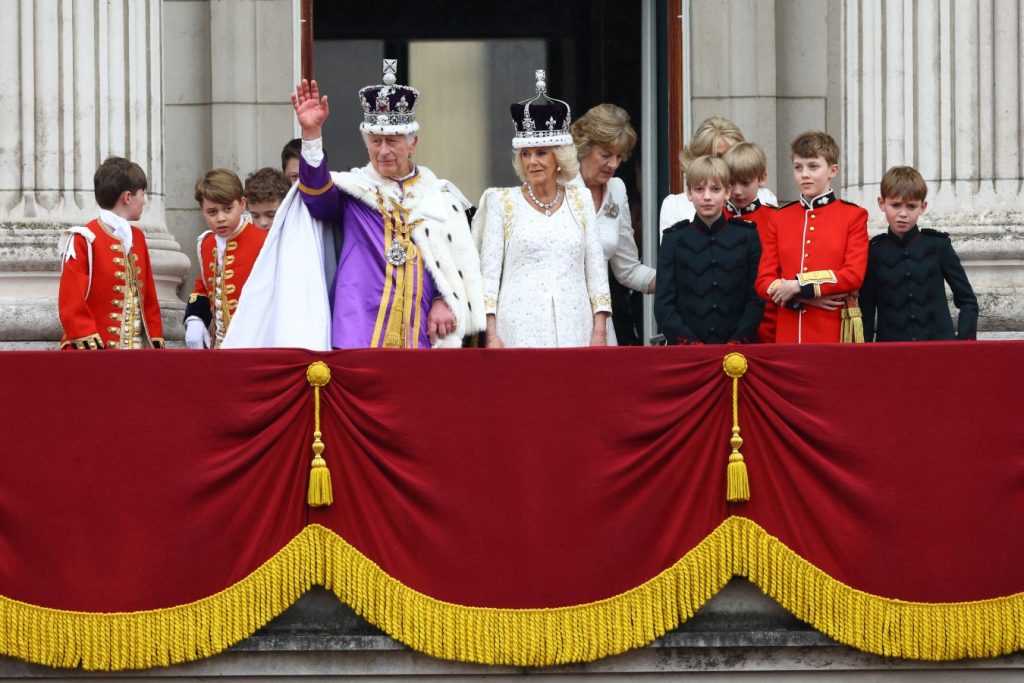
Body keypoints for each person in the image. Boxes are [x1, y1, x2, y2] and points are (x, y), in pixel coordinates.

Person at [222, 60, 485, 350]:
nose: (382, 151)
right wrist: (311, 135)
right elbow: (317, 198)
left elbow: (454, 265)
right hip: (358, 334)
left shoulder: (440, 198)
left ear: (413, 142)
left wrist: (444, 299)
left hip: (421, 334)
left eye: (392, 141)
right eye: (374, 141)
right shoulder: (354, 191)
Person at [475, 70, 611, 348]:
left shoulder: (580, 199)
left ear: (559, 157)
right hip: (518, 327)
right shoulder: (502, 202)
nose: (532, 162)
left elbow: (596, 270)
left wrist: (599, 331)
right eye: (526, 154)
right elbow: (489, 276)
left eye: (541, 153)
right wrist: (491, 333)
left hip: (576, 326)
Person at [755, 131, 869, 343]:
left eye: (813, 166)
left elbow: (853, 275)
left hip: (833, 331)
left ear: (832, 170)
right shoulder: (779, 218)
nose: (804, 174)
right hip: (788, 332)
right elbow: (764, 281)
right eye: (798, 167)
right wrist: (802, 297)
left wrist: (799, 285)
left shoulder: (853, 215)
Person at [860, 165, 978, 341]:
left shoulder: (939, 246)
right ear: (881, 203)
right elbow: (866, 312)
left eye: (911, 206)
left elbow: (967, 301)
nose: (903, 214)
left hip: (940, 352)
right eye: (895, 205)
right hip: (891, 355)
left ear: (923, 207)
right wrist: (865, 357)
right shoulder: (873, 252)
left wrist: (962, 343)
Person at [57, 156, 164, 350]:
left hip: (137, 354)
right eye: (143, 193)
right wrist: (88, 341)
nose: (145, 201)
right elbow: (71, 301)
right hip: (96, 354)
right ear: (127, 197)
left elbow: (149, 297)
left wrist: (155, 339)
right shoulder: (83, 239)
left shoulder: (137, 237)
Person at [570, 103, 655, 345]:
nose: (614, 164)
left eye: (619, 156)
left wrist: (675, 280)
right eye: (606, 155)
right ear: (583, 148)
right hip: (559, 320)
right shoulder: (557, 186)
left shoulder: (616, 189)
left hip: (601, 325)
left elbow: (628, 270)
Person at [654, 156, 763, 344]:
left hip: (737, 351)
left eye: (715, 189)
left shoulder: (747, 236)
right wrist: (690, 343)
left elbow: (755, 300)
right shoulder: (674, 239)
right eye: (699, 189)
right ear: (689, 193)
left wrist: (737, 340)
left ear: (727, 192)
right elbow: (664, 305)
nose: (706, 197)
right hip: (687, 351)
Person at [184, 169, 267, 349]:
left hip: (256, 344)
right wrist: (195, 318)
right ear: (202, 211)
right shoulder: (206, 244)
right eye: (212, 212)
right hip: (220, 347)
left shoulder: (264, 242)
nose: (221, 218)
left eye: (228, 209)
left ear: (242, 204)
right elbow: (204, 286)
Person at [659, 116, 778, 235]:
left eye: (723, 158)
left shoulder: (762, 196)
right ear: (694, 159)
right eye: (709, 158)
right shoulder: (675, 205)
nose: (715, 165)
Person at [722, 142, 778, 343]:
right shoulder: (715, 217)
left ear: (762, 178)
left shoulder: (775, 218)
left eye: (745, 183)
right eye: (731, 183)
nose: (737, 191)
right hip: (723, 325)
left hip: (766, 325)